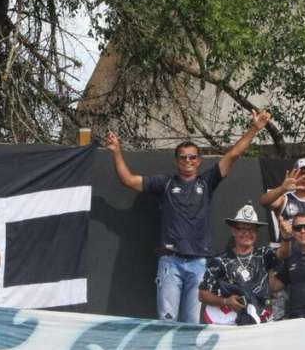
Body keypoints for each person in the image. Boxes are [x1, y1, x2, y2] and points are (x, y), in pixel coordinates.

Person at [104, 109, 271, 322]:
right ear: (176, 161)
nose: (188, 161)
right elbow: (127, 180)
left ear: (199, 161)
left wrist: (255, 128)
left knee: (191, 323)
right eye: (183, 158)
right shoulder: (164, 184)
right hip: (170, 262)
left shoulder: (207, 182)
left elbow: (233, 155)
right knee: (167, 321)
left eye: (192, 157)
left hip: (199, 263)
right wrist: (116, 151)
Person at [198, 203, 282, 325]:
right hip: (230, 325)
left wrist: (286, 235)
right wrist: (226, 302)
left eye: (251, 229)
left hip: (261, 321)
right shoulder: (220, 261)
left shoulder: (265, 254)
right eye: (242, 229)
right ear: (233, 231)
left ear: (256, 233)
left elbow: (284, 252)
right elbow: (202, 294)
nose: (247, 233)